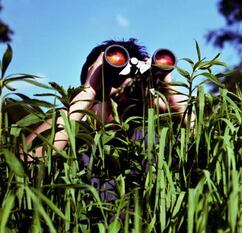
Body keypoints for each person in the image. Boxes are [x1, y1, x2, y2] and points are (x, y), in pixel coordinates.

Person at [21, 38, 190, 161]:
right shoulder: (68, 128)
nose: (124, 98)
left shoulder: (156, 134)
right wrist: (88, 91)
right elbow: (25, 168)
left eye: (131, 95)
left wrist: (172, 96)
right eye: (115, 95)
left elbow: (205, 152)